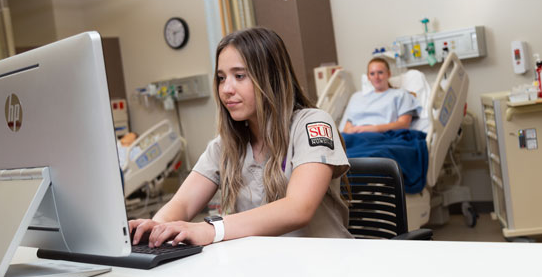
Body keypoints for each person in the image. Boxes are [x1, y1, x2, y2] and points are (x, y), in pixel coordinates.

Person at [129, 27, 352, 247]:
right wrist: (154, 228)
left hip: (323, 263)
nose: (226, 89)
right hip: (260, 264)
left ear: (271, 78)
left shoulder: (312, 123)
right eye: (221, 78)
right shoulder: (226, 145)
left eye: (239, 76)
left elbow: (299, 208)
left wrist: (211, 229)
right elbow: (183, 204)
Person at [339, 57, 421, 134]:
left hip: (383, 137)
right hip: (355, 137)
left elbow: (403, 124)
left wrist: (369, 129)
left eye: (380, 72)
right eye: (372, 73)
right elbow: (347, 127)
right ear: (368, 77)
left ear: (388, 74)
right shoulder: (357, 97)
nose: (376, 77)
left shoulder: (400, 94)